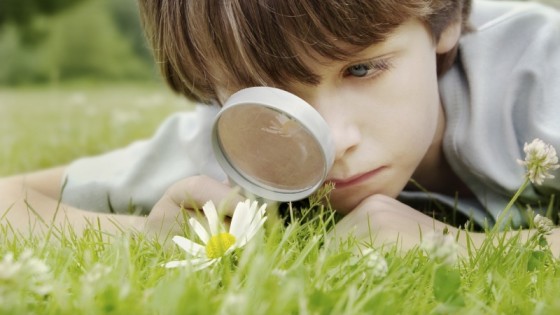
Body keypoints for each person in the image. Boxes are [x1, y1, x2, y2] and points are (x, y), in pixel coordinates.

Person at [1, 0, 559, 255]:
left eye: (362, 68)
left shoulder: (539, 71)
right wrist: (146, 236)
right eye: (271, 98)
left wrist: (473, 251)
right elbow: (12, 201)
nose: (334, 140)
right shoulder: (234, 145)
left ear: (444, 20)